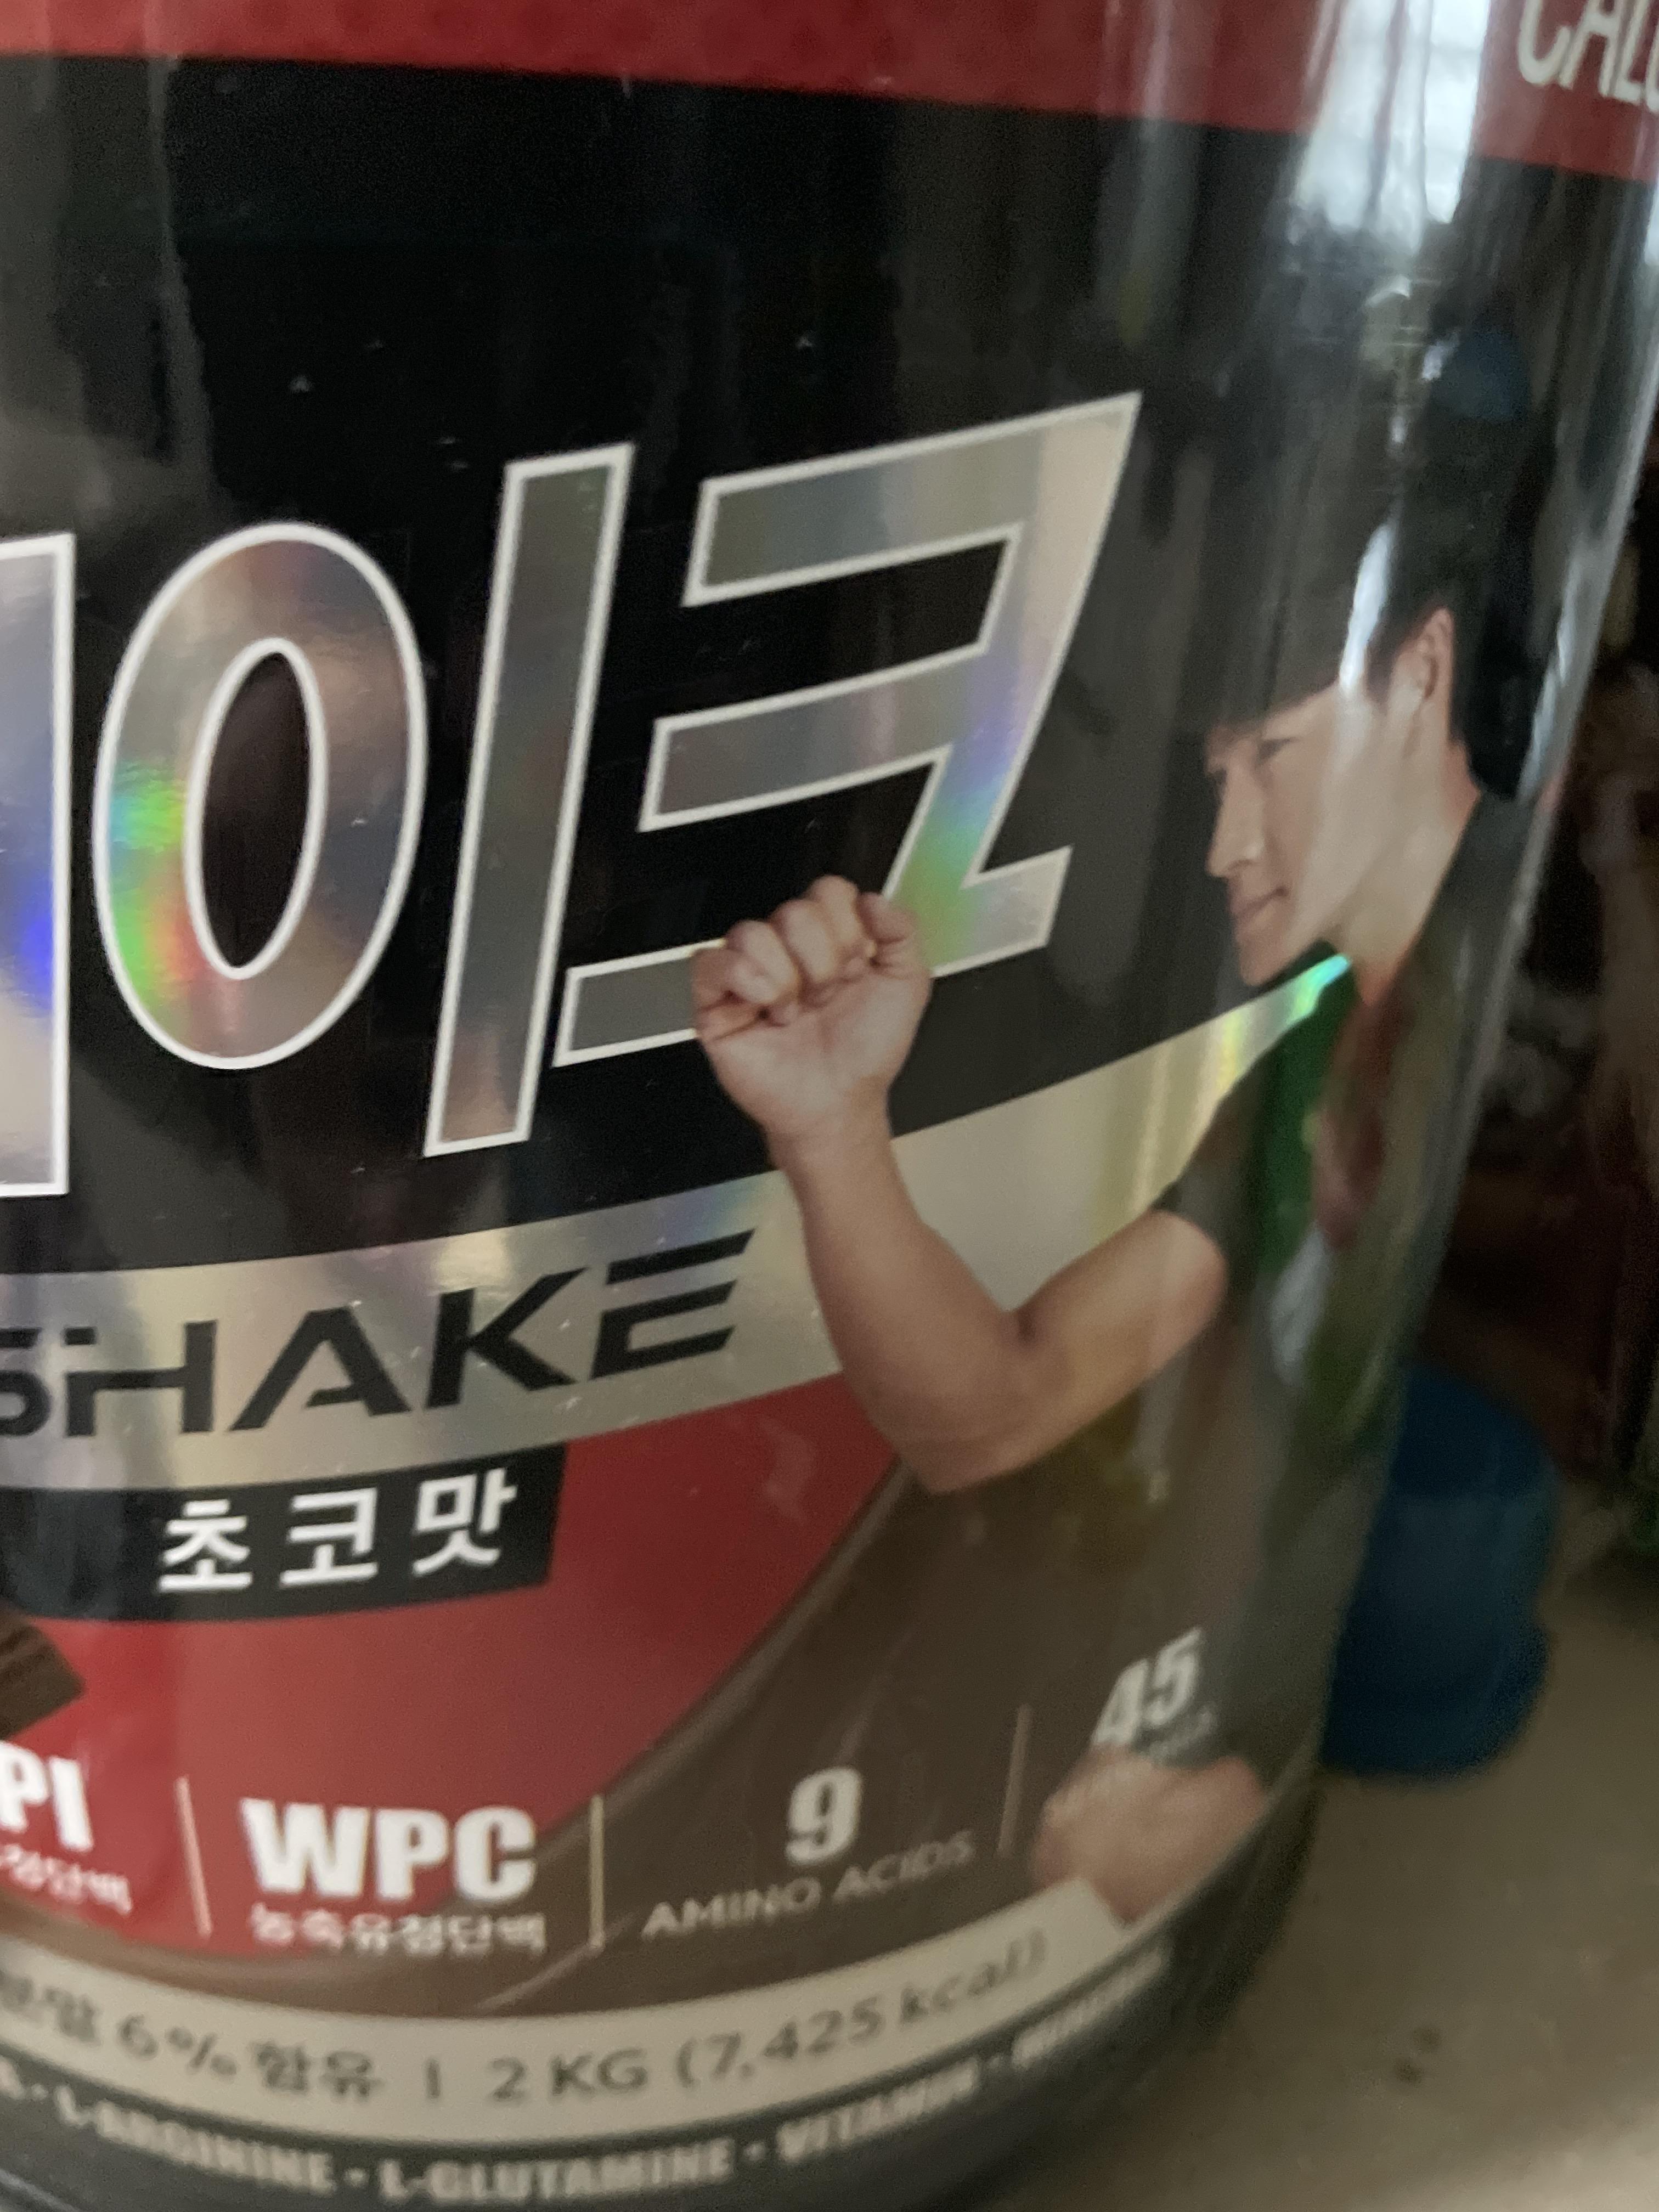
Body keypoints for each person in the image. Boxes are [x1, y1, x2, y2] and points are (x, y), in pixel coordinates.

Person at [690, 343, 1533, 1931]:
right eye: (1215, 773)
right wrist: (832, 1127)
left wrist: (1224, 1792)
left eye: (1270, 756)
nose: (1227, 843)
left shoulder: (1520, 903)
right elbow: (987, 1415)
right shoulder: (1311, 1059)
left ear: (1421, 671)